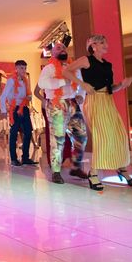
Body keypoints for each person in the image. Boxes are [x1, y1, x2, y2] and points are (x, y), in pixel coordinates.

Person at [63, 34, 132, 191]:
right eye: (102, 42)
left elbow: (110, 89)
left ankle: (121, 167)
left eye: (106, 42)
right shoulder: (86, 60)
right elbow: (67, 72)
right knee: (102, 136)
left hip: (108, 101)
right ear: (93, 45)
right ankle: (93, 173)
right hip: (94, 101)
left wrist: (122, 85)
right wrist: (83, 84)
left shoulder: (107, 65)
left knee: (119, 134)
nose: (105, 44)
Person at [37, 43, 88, 184]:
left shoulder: (74, 67)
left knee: (81, 136)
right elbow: (42, 83)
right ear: (52, 53)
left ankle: (75, 166)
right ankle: (56, 172)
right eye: (58, 48)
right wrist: (63, 81)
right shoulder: (49, 68)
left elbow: (81, 83)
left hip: (72, 103)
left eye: (64, 48)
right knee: (58, 139)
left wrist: (80, 95)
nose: (63, 50)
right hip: (56, 105)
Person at [0, 60, 36, 167]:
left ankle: (25, 158)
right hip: (15, 109)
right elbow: (3, 97)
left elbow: (28, 94)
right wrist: (3, 111)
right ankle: (14, 159)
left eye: (25, 68)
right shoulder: (11, 81)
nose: (24, 70)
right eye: (21, 68)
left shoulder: (25, 80)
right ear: (16, 68)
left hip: (24, 108)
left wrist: (29, 97)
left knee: (29, 132)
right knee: (14, 133)